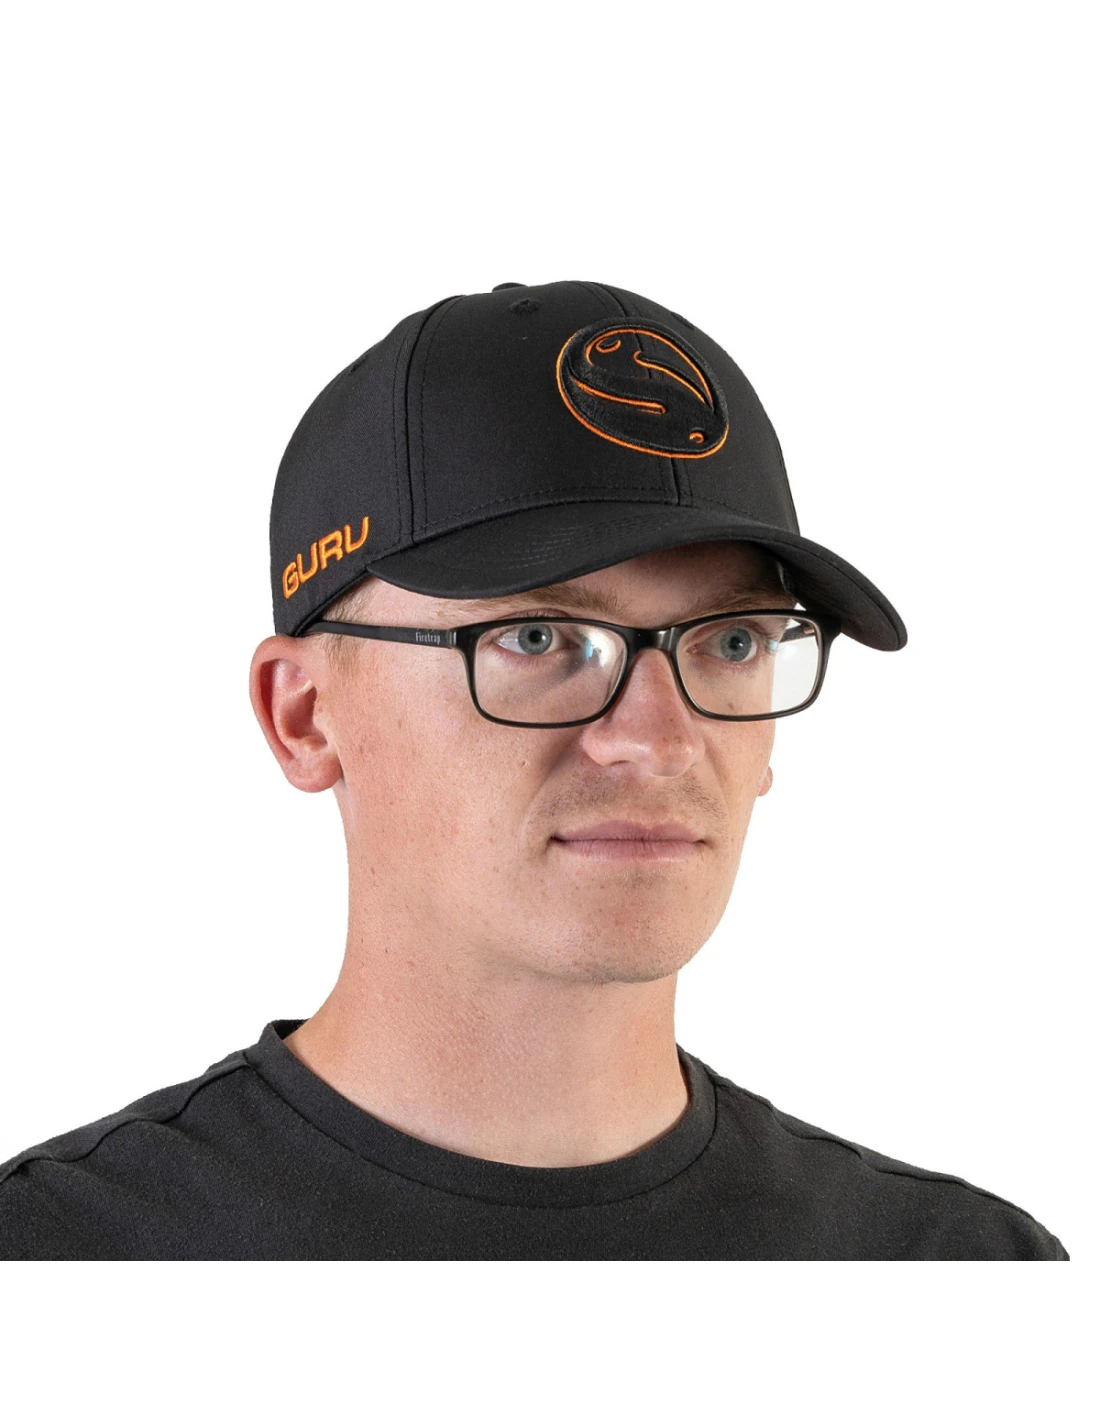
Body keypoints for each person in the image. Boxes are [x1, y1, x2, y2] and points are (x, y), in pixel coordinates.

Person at [0, 279, 1069, 1263]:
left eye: (732, 642)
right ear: (304, 716)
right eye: (538, 638)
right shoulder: (60, 1258)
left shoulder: (957, 1274)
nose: (658, 739)